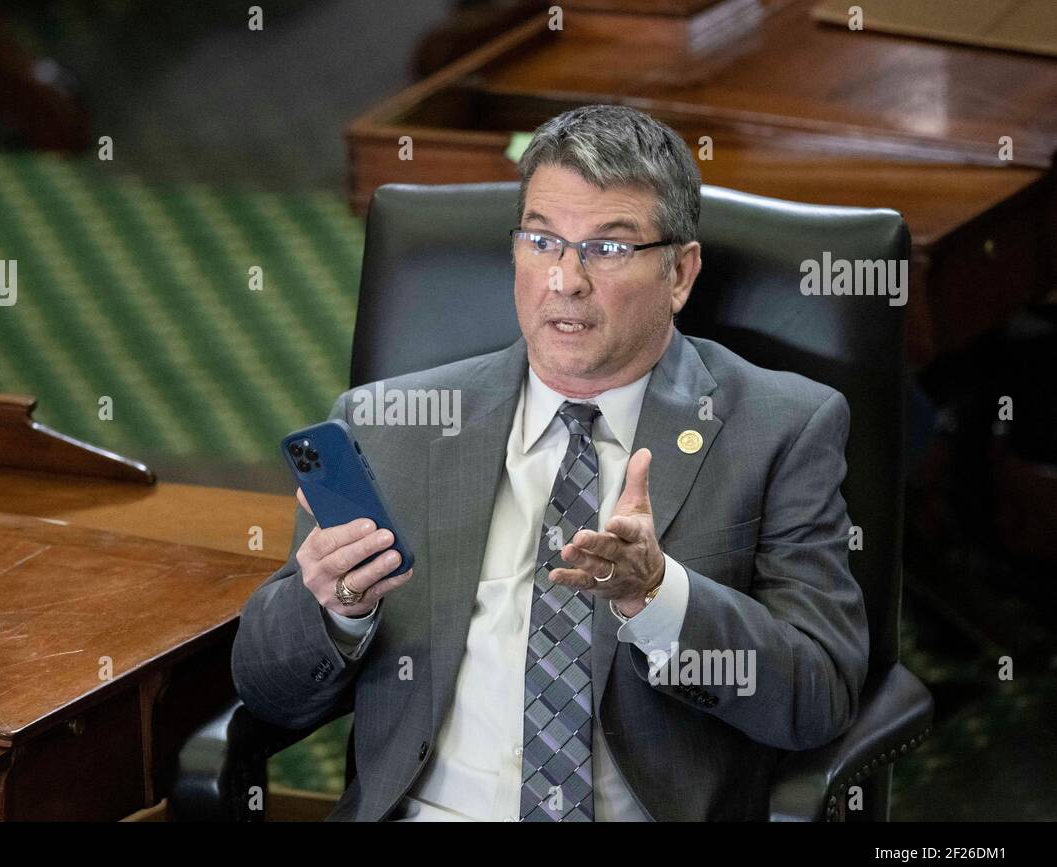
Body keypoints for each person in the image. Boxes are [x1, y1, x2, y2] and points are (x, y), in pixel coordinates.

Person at [232, 104, 869, 821]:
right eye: (542, 241)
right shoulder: (389, 427)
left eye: (607, 248)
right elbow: (268, 692)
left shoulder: (781, 428)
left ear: (680, 273)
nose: (565, 280)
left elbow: (819, 696)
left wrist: (659, 596)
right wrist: (336, 610)